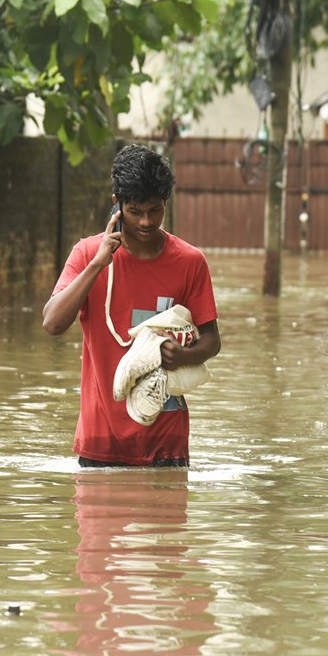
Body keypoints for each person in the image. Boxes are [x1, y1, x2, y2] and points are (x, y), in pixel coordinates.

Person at [42, 144, 221, 467]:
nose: (146, 221)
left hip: (167, 443)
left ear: (165, 203)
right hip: (101, 442)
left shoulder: (190, 262)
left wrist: (184, 355)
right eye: (136, 211)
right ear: (117, 204)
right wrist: (98, 264)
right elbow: (53, 324)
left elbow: (212, 340)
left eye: (155, 210)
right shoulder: (87, 254)